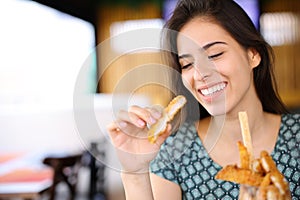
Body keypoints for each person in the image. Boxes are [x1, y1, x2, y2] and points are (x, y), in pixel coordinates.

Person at [107, 0, 300, 199]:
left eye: (214, 54)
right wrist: (134, 172)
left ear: (252, 54)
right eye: (187, 64)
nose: (200, 74)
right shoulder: (175, 149)